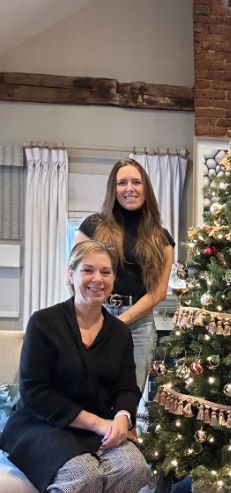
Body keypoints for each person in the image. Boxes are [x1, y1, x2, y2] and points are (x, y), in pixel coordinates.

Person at [0, 241, 150, 493]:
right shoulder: (45, 322)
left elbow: (126, 388)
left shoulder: (118, 332)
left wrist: (122, 417)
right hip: (40, 424)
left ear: (113, 279)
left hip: (99, 427)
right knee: (82, 476)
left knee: (133, 469)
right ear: (70, 275)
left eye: (105, 272)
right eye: (88, 270)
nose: (96, 279)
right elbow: (35, 392)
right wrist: (100, 423)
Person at [72, 158, 174, 391]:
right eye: (122, 182)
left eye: (136, 182)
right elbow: (73, 275)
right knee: (88, 392)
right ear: (113, 188)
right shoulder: (92, 226)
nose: (130, 188)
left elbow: (157, 293)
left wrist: (119, 323)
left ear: (145, 188)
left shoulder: (162, 239)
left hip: (139, 326)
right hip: (93, 316)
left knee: (128, 396)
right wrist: (88, 316)